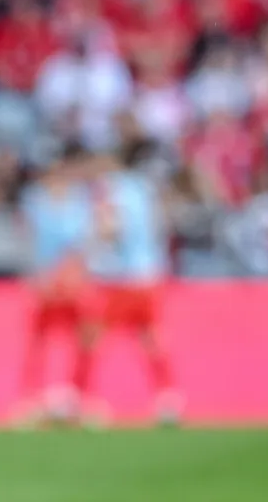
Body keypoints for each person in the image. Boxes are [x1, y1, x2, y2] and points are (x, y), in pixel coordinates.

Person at [83, 142, 181, 426]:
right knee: (151, 337)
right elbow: (158, 224)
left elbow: (112, 228)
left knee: (94, 335)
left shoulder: (110, 189)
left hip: (120, 278)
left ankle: (85, 398)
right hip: (148, 274)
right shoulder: (142, 188)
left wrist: (91, 249)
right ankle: (168, 398)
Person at [15, 143, 94, 427]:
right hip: (46, 280)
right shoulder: (34, 200)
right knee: (40, 339)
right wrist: (38, 275)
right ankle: (32, 398)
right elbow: (28, 241)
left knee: (83, 337)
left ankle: (77, 395)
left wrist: (75, 272)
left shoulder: (79, 200)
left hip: (72, 280)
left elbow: (85, 241)